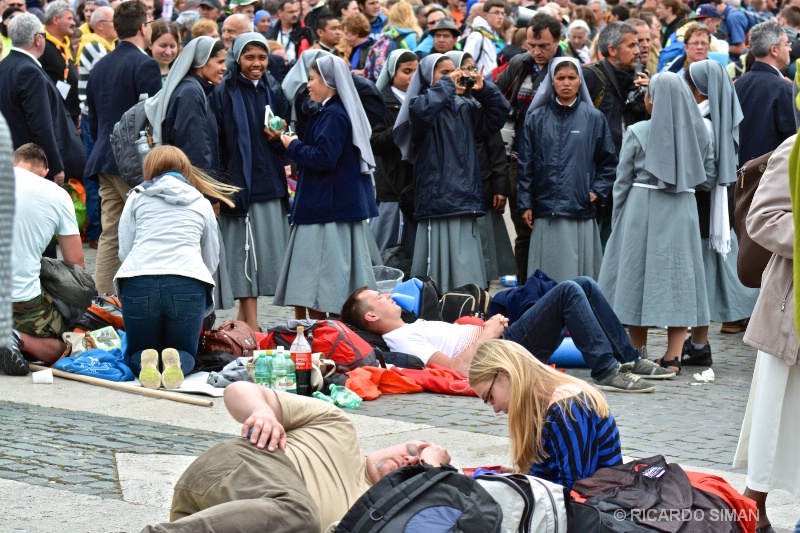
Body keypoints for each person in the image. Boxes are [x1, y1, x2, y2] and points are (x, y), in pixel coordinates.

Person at [141, 382, 452, 532]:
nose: (409, 460)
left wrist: (436, 472)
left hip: (213, 521)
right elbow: (237, 390)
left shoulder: (375, 518)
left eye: (417, 470)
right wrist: (262, 412)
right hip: (245, 466)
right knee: (300, 514)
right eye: (413, 451)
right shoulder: (336, 425)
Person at [341, 278, 673, 392]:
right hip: (501, 354)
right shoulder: (401, 340)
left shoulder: (410, 326)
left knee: (583, 284)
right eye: (379, 297)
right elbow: (456, 370)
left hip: (502, 342)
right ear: (371, 316)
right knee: (569, 291)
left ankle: (629, 359)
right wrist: (487, 332)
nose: (388, 296)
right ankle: (605, 369)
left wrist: (485, 328)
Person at [598, 72, 716, 375]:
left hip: (642, 210)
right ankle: (674, 356)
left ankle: (637, 352)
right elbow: (708, 178)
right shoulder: (700, 133)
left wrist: (619, 219)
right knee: (680, 279)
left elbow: (622, 182)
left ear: (654, 99)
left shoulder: (638, 131)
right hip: (683, 211)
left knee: (636, 278)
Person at [116, 146, 234, 390]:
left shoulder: (136, 197)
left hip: (139, 280)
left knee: (138, 351)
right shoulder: (201, 202)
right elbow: (211, 256)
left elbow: (125, 250)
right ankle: (177, 361)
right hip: (187, 281)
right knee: (186, 352)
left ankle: (145, 361)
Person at [274, 55, 381, 318]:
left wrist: (293, 145)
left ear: (328, 81)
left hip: (326, 208)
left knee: (321, 283)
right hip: (334, 206)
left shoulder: (333, 114)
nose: (308, 85)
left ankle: (320, 332)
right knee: (331, 280)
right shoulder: (336, 111)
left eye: (312, 79)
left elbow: (324, 158)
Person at [393, 53, 508, 293]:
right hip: (437, 199)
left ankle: (466, 305)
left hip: (465, 198)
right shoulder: (419, 103)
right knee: (436, 271)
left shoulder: (466, 106)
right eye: (444, 73)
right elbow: (423, 111)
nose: (453, 76)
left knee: (466, 268)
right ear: (428, 77)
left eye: (454, 71)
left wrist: (484, 89)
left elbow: (498, 115)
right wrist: (447, 84)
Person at [732, 134, 799, 533]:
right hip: (789, 310)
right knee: (774, 415)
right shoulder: (795, 148)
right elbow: (762, 218)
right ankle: (752, 511)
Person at [209, 32, 291, 332]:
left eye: (262, 57)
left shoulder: (274, 89)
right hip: (238, 185)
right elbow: (217, 144)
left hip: (269, 184)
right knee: (243, 256)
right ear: (237, 58)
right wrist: (218, 189)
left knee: (264, 257)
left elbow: (286, 134)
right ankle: (253, 327)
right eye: (249, 57)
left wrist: (279, 137)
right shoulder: (223, 92)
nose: (256, 64)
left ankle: (244, 324)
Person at [469, 339, 622, 490]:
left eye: (490, 397)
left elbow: (575, 487)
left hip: (596, 501)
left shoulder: (567, 408)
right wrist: (516, 477)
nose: (495, 409)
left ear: (504, 373)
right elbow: (552, 473)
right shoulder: (540, 404)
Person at [683, 60, 759, 364]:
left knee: (703, 271)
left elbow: (704, 172)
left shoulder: (703, 120)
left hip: (703, 203)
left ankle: (699, 341)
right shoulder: (719, 115)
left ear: (699, 89)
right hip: (718, 201)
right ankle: (699, 340)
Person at [84, 0, 162, 296]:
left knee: (111, 234)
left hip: (104, 157)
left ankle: (103, 303)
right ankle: (141, 300)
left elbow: (93, 119)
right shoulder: (145, 64)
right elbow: (152, 118)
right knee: (145, 231)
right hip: (134, 163)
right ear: (143, 27)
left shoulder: (101, 65)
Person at [518, 56, 617, 283]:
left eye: (572, 77)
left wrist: (597, 190)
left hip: (580, 206)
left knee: (578, 274)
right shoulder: (536, 118)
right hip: (545, 207)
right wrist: (525, 203)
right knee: (546, 274)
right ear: (551, 81)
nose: (566, 83)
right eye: (560, 77)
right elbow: (526, 164)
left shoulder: (594, 118)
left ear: (579, 81)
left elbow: (609, 162)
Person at [496, 13, 563, 282]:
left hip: (553, 160)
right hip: (518, 156)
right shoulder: (519, 64)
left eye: (543, 46)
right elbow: (495, 95)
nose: (537, 52)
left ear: (558, 41)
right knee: (523, 229)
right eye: (531, 45)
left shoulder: (567, 68)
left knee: (550, 228)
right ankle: (525, 289)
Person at [9, 143, 85, 368]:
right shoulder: (57, 194)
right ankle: (16, 337)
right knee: (66, 345)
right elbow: (76, 264)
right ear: (45, 172)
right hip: (20, 298)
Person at [447, 50, 515, 285]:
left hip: (483, 187)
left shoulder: (479, 105)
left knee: (486, 249)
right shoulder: (438, 105)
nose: (467, 74)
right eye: (462, 68)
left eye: (471, 68)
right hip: (454, 192)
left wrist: (500, 185)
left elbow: (495, 149)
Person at [583, 21, 649, 247]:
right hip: (596, 174)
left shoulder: (642, 78)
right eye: (631, 45)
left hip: (630, 173)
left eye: (638, 44)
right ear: (612, 50)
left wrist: (652, 94)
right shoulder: (590, 77)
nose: (638, 51)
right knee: (596, 240)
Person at [0, 13, 84, 185]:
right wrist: (54, 166)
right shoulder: (29, 71)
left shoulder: (6, 65)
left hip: (17, 159)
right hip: (34, 166)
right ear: (37, 39)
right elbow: (41, 124)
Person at [145, 36, 226, 178]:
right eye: (220, 62)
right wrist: (206, 189)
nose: (224, 68)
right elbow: (195, 151)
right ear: (202, 61)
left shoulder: (192, 88)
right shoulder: (190, 93)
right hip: (193, 184)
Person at [370, 48, 418, 254]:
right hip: (392, 180)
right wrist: (402, 125)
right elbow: (375, 141)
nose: (412, 77)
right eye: (406, 71)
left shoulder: (423, 99)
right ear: (392, 73)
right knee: (387, 245)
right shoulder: (381, 102)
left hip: (416, 181)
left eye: (416, 71)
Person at [734, 20, 794, 167]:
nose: (790, 49)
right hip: (772, 172)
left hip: (739, 174)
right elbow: (793, 139)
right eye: (787, 44)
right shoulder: (783, 88)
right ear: (774, 50)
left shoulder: (738, 84)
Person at [41, 2, 80, 128]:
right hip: (55, 117)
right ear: (55, 20)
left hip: (71, 114)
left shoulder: (65, 43)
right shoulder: (40, 44)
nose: (73, 23)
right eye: (69, 18)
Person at [363, 1, 422, 81]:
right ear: (411, 16)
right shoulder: (413, 37)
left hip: (381, 81)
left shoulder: (384, 37)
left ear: (392, 16)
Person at [463, 0, 507, 74]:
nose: (500, 17)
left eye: (502, 14)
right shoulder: (477, 36)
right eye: (496, 13)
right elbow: (466, 63)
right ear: (485, 15)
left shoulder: (492, 36)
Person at [266, 0, 314, 66]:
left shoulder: (305, 32)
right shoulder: (271, 34)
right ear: (280, 13)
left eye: (296, 11)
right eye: (291, 12)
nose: (295, 15)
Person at [148, 19, 180, 84]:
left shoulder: (181, 74)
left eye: (172, 46)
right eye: (163, 46)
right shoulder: (141, 74)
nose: (168, 52)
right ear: (150, 44)